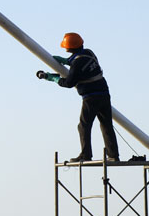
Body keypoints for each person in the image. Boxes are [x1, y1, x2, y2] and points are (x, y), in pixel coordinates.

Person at [37, 32, 120, 162]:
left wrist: (53, 78)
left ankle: (86, 155)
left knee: (83, 126)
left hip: (91, 97)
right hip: (104, 94)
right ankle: (113, 155)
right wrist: (66, 61)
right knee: (106, 125)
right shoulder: (89, 53)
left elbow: (69, 83)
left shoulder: (77, 63)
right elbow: (80, 62)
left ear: (68, 48)